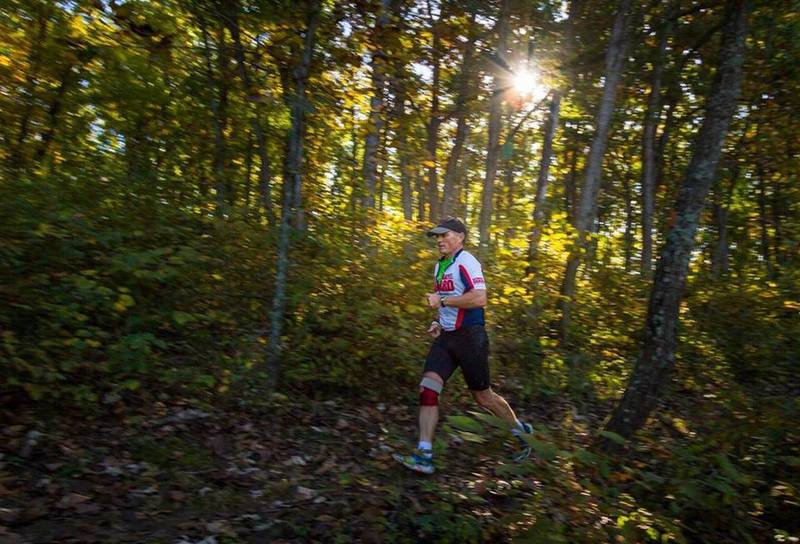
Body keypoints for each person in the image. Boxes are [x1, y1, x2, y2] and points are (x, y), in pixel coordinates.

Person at [393, 217, 533, 474]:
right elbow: (445, 299)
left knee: (483, 397)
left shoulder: (467, 261)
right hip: (446, 339)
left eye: (444, 235)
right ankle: (424, 455)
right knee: (428, 389)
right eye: (437, 236)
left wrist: (442, 302)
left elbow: (479, 298)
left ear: (460, 236)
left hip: (471, 338)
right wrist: (438, 321)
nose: (439, 240)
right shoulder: (440, 265)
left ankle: (520, 432)